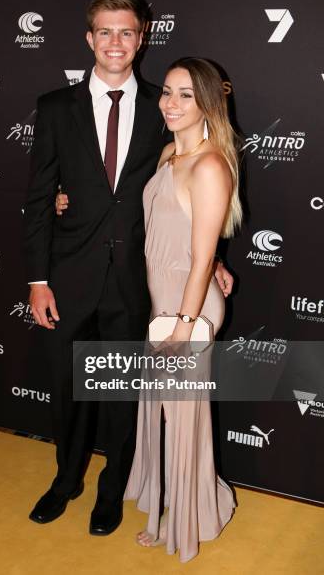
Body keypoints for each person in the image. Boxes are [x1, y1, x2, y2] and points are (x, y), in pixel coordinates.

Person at [23, 0, 233, 537]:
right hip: (68, 277)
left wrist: (211, 263)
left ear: (142, 40)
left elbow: (194, 185)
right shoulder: (54, 108)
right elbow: (39, 197)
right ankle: (65, 480)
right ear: (90, 38)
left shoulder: (163, 107)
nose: (116, 43)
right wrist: (38, 279)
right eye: (106, 32)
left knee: (120, 395)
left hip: (135, 284)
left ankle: (112, 491)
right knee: (68, 389)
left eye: (128, 32)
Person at [123, 57, 242, 562]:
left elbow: (197, 258)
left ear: (209, 102)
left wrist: (184, 326)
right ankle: (174, 501)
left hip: (187, 308)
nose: (170, 104)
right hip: (163, 299)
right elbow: (183, 231)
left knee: (181, 417)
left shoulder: (211, 164)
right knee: (168, 415)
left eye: (185, 95)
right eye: (167, 92)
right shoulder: (170, 152)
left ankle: (192, 515)